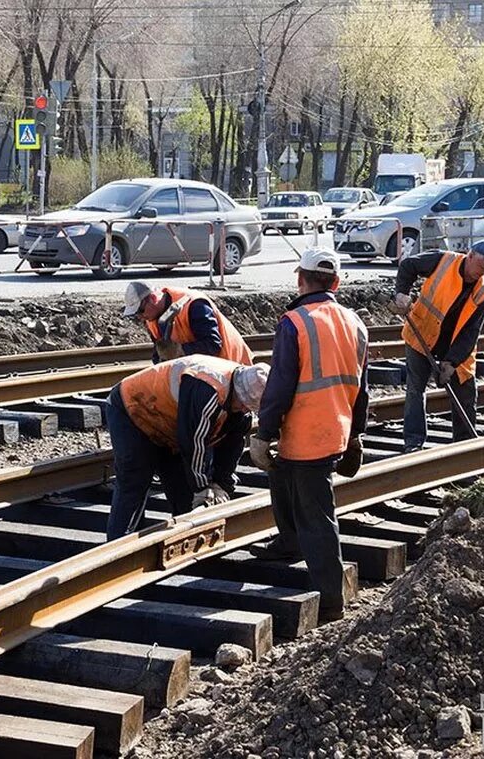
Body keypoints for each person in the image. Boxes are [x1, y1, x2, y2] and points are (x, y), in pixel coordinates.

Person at [249, 248, 369, 620]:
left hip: (306, 432)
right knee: (282, 479)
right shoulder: (355, 323)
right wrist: (355, 435)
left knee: (318, 514)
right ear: (335, 283)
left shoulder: (294, 322)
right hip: (335, 426)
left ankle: (332, 599)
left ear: (301, 279)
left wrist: (262, 433)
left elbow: (281, 384)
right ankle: (289, 543)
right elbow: (360, 386)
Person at [105, 355, 269, 539]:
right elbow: (194, 441)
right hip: (133, 409)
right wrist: (202, 487)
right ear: (239, 394)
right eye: (243, 406)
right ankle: (119, 543)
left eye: (249, 408)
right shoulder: (208, 389)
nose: (244, 410)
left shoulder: (240, 405)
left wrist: (220, 484)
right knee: (135, 478)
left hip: (168, 423)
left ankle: (186, 544)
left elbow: (232, 445)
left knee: (184, 490)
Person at [388, 239, 484, 453]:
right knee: (415, 389)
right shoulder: (443, 261)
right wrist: (401, 292)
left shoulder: (482, 293)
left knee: (465, 390)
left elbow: (470, 333)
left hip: (455, 347)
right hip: (422, 333)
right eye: (483, 265)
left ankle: (464, 446)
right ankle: (413, 443)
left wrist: (452, 362)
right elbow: (408, 265)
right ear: (470, 255)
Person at [123, 281, 253, 365]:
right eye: (136, 314)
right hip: (204, 369)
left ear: (153, 298)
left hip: (233, 366)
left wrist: (180, 351)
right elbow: (160, 356)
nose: (140, 317)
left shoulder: (193, 305)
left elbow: (212, 345)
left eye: (140, 310)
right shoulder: (151, 319)